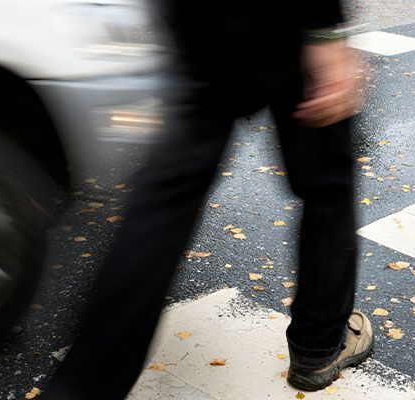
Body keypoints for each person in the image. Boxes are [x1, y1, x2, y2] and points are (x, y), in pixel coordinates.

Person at [46, 0, 369, 397]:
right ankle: (317, 346)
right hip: (282, 18)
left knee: (166, 199)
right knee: (327, 182)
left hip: (196, 18)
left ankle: (81, 389)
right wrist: (324, 30)